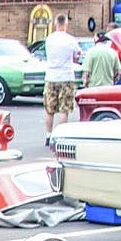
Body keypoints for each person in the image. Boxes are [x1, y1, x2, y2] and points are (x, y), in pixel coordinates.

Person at [43, 14, 81, 147]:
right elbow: (77, 55)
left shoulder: (49, 39)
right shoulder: (71, 40)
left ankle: (48, 135)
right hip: (66, 76)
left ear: (55, 23)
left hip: (51, 76)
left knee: (50, 109)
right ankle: (59, 136)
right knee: (64, 109)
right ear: (66, 24)